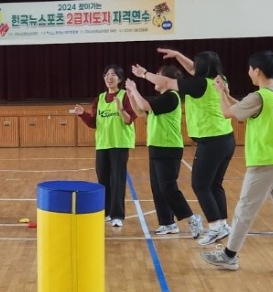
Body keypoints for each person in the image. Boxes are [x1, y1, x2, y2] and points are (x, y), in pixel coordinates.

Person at [201, 50, 273, 276]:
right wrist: (227, 93)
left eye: (250, 69)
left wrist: (220, 93)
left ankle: (229, 256)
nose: (249, 72)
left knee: (245, 210)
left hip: (265, 163)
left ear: (257, 70)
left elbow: (227, 113)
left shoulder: (258, 97)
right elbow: (245, 109)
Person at [135, 48, 235, 246]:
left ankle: (215, 227)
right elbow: (193, 70)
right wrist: (179, 56)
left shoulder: (199, 84)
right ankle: (222, 224)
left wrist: (144, 74)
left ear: (201, 67)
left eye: (196, 64)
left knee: (200, 185)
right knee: (214, 184)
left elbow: (166, 83)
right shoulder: (219, 79)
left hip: (212, 140)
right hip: (226, 139)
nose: (193, 67)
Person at [124, 64, 203, 237]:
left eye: (159, 75)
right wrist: (131, 96)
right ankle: (167, 223)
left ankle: (192, 218)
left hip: (169, 147)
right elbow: (141, 112)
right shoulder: (162, 98)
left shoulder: (171, 97)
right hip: (157, 147)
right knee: (158, 188)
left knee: (168, 188)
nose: (156, 78)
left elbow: (144, 106)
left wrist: (134, 89)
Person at [70, 65, 136, 228]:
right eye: (106, 75)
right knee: (103, 180)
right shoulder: (99, 98)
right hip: (102, 144)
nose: (109, 77)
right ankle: (106, 212)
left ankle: (117, 215)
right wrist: (82, 114)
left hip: (119, 144)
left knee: (117, 180)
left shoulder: (125, 96)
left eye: (113, 74)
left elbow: (129, 119)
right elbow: (94, 123)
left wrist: (120, 108)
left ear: (119, 79)